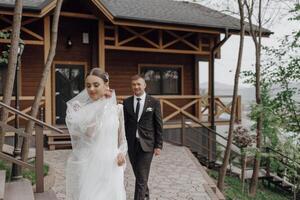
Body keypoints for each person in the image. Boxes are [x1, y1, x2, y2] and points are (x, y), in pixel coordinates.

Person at [65, 68, 127, 200]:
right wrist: (99, 106)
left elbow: (122, 137)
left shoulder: (118, 109)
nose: (91, 89)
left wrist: (122, 152)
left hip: (112, 163)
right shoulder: (81, 109)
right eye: (88, 86)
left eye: (96, 85)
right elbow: (90, 133)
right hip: (90, 163)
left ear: (106, 85)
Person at [123, 75, 163, 200]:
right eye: (134, 84)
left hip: (147, 144)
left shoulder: (154, 102)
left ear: (144, 85)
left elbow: (159, 125)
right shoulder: (127, 102)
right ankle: (146, 196)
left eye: (139, 84)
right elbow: (125, 124)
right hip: (131, 144)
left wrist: (158, 145)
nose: (136, 87)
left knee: (141, 176)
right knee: (140, 175)